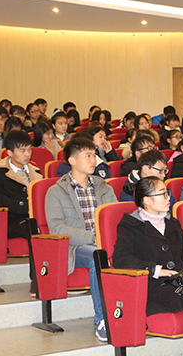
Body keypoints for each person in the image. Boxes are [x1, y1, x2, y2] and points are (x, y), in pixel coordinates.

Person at [45, 137, 117, 342]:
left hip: (105, 243)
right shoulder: (56, 191)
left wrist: (105, 238)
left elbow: (116, 218)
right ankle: (103, 319)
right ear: (72, 160)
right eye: (88, 155)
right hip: (74, 247)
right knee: (97, 256)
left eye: (94, 155)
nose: (94, 160)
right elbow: (56, 228)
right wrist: (94, 237)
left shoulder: (104, 187)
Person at [113, 176, 183, 316]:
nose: (168, 198)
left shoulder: (173, 223)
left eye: (167, 193)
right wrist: (155, 270)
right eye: (163, 194)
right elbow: (120, 258)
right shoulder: (130, 225)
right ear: (147, 200)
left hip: (178, 280)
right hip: (152, 285)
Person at [0, 130, 42, 296]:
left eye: (29, 149)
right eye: (22, 150)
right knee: (34, 228)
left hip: (33, 218)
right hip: (9, 220)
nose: (27, 154)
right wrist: (25, 207)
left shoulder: (35, 171)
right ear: (9, 152)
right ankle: (36, 280)